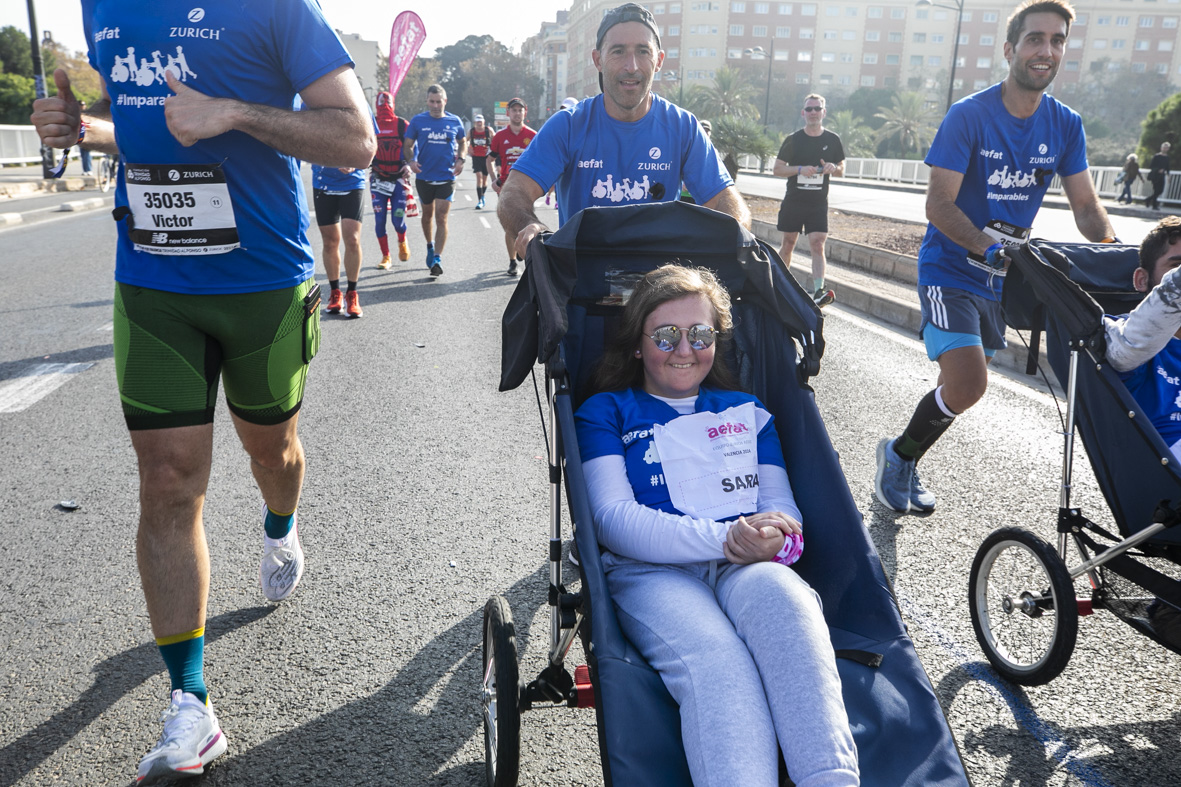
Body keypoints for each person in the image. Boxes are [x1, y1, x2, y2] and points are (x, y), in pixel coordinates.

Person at [29, 0, 375, 782]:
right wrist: (85, 130)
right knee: (167, 478)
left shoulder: (278, 8)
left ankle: (280, 520)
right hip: (153, 279)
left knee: (272, 452)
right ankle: (191, 703)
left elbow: (355, 139)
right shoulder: (101, 7)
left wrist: (236, 113)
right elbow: (146, 126)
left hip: (262, 280)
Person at [574, 264, 859, 787]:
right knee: (720, 663)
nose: (684, 349)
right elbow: (612, 520)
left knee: (793, 615)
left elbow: (782, 509)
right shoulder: (606, 411)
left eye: (700, 334)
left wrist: (779, 536)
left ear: (717, 340)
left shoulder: (747, 410)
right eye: (665, 335)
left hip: (745, 564)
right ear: (637, 344)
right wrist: (724, 538)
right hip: (652, 571)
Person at [874, 0, 1116, 515]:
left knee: (955, 385)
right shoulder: (970, 115)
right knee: (970, 381)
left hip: (1000, 279)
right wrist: (988, 245)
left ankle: (905, 451)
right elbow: (938, 204)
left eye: (1057, 41)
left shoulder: (1065, 125)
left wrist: (1124, 260)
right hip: (948, 268)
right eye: (1034, 39)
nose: (1045, 50)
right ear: (1010, 49)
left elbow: (1087, 209)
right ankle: (898, 457)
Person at [499, 2, 750, 261]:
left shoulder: (683, 126)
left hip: (661, 291)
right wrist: (529, 226)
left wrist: (732, 234)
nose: (631, 66)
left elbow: (725, 201)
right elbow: (514, 192)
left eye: (643, 51)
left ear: (659, 60)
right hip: (578, 287)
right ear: (597, 59)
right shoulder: (568, 125)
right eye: (618, 51)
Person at [1105, 216, 1181, 459]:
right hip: (1163, 472)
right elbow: (1132, 347)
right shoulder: (1122, 335)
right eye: (1176, 266)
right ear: (1142, 279)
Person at [771, 94, 846, 308]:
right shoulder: (793, 139)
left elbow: (841, 169)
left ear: (824, 112)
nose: (813, 112)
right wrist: (800, 169)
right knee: (788, 243)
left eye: (817, 108)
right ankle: (780, 285)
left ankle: (819, 290)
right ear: (803, 113)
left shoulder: (832, 140)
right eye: (809, 109)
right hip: (794, 200)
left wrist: (833, 167)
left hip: (818, 203)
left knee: (818, 242)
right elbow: (777, 169)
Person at [405, 84, 466, 277]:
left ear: (444, 101)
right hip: (424, 177)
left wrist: (461, 159)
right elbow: (407, 145)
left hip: (446, 177)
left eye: (439, 101)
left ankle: (437, 258)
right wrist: (411, 161)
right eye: (432, 101)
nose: (435, 105)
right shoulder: (418, 121)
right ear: (427, 101)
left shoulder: (455, 121)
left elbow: (463, 142)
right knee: (427, 216)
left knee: (441, 217)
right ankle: (430, 246)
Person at [489, 97, 537, 275]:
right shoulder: (500, 136)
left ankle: (526, 257)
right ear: (508, 113)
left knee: (527, 222)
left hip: (525, 188)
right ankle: (512, 262)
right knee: (510, 225)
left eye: (520, 110)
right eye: (514, 110)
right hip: (505, 188)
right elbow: (490, 159)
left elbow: (539, 160)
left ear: (525, 112)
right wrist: (494, 179)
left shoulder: (532, 135)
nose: (517, 113)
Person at [312, 162, 366, 317]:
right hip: (323, 183)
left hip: (353, 183)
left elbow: (370, 144)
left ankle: (352, 293)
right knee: (330, 242)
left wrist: (355, 163)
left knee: (353, 240)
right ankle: (335, 292)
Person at [370, 90, 412, 269]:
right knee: (379, 220)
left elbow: (412, 148)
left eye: (387, 103)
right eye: (381, 103)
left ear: (393, 104)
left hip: (398, 182)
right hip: (378, 180)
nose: (384, 106)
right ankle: (386, 256)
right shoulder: (370, 123)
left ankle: (402, 241)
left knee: (397, 220)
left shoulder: (402, 124)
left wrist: (409, 164)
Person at [679, 117, 712, 203]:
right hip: (683, 195)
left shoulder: (713, 152)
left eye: (707, 130)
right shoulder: (688, 147)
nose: (705, 133)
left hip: (700, 196)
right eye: (703, 130)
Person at [469, 113, 493, 209]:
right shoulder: (471, 132)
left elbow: (496, 139)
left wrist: (493, 150)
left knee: (484, 179)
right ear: (475, 123)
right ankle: (480, 200)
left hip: (486, 157)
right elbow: (465, 140)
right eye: (477, 122)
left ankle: (483, 196)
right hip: (476, 157)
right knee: (479, 177)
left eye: (480, 122)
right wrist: (468, 148)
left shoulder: (488, 130)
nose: (479, 124)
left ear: (483, 122)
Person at [1146, 141, 1171, 211]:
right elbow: (1151, 166)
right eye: (1164, 147)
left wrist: (1168, 176)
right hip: (1155, 176)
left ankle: (1148, 199)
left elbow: (1168, 167)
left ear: (1168, 149)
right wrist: (1158, 170)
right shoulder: (1157, 156)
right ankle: (1154, 205)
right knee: (1156, 190)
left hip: (1162, 176)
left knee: (1160, 191)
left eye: (1166, 148)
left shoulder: (1167, 157)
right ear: (1161, 148)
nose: (1165, 149)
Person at [78, 99, 93, 175]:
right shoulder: (77, 114)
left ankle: (89, 169)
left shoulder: (88, 114)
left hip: (87, 135)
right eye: (81, 105)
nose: (82, 107)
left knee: (87, 153)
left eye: (83, 105)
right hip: (80, 135)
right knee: (83, 154)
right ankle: (85, 170)